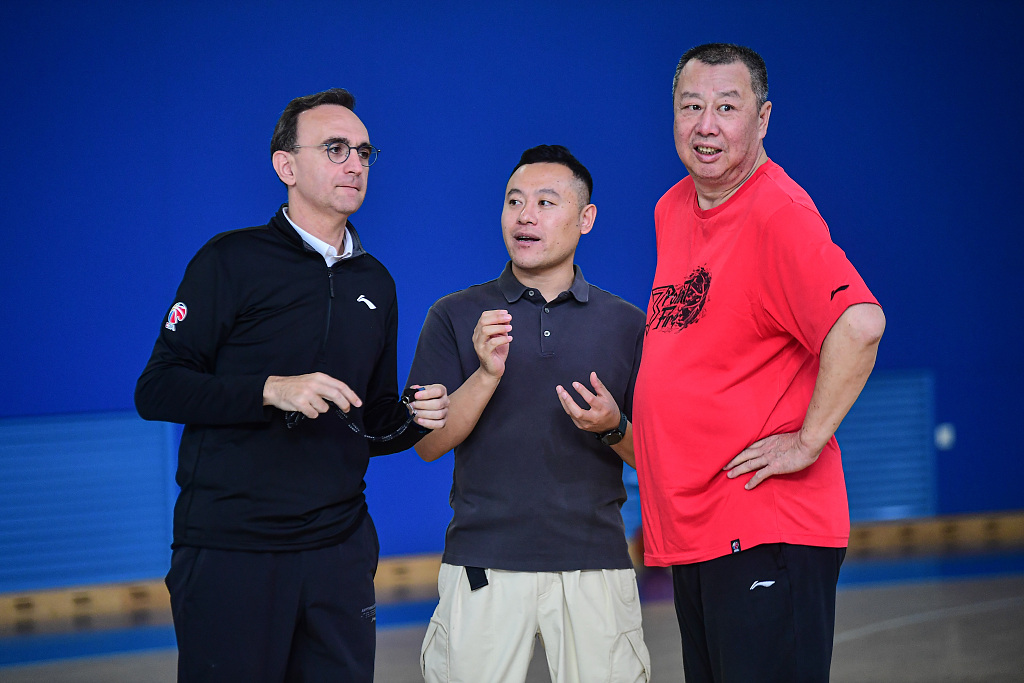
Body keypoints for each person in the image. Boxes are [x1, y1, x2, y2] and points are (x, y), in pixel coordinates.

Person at [134, 88, 450, 683]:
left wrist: (412, 417)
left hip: (339, 551)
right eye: (335, 149)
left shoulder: (376, 283)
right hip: (232, 550)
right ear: (286, 166)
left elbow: (370, 418)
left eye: (363, 151)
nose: (355, 163)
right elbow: (158, 389)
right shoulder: (229, 261)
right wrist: (268, 389)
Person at [633, 43, 887, 682]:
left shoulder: (779, 214)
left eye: (727, 106)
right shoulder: (672, 209)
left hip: (766, 525)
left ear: (763, 118)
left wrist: (807, 441)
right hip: (699, 534)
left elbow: (859, 326)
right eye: (691, 107)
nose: (706, 124)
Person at [407, 145, 652, 683]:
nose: (525, 216)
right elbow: (426, 444)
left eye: (545, 202)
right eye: (514, 201)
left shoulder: (628, 324)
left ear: (585, 218)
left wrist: (612, 426)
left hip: (596, 564)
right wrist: (485, 375)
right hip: (483, 563)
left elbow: (656, 459)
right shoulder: (454, 314)